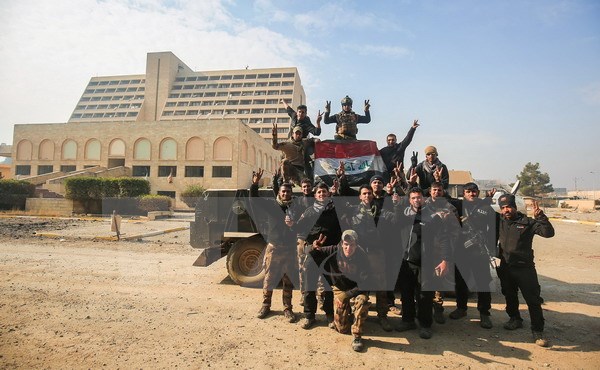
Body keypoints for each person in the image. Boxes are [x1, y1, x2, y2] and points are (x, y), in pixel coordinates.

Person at [497, 194, 555, 347]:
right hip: (506, 267)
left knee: (533, 300)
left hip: (524, 268)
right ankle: (514, 319)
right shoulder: (500, 221)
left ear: (515, 207)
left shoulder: (528, 223)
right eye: (503, 208)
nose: (506, 210)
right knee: (509, 295)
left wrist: (541, 217)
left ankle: (537, 331)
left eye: (508, 207)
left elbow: (548, 233)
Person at [395, 187, 451, 339]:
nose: (416, 200)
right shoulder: (403, 216)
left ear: (424, 199)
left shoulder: (433, 217)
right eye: (413, 198)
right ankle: (408, 321)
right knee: (406, 294)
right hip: (407, 263)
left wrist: (445, 260)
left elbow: (444, 239)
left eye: (419, 197)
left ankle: (425, 325)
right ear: (409, 200)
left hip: (426, 263)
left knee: (425, 295)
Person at [249, 169, 299, 323]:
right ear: (280, 192)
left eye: (288, 192)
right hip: (274, 248)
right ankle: (265, 305)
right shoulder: (272, 205)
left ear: (291, 193)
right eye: (283, 191)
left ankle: (287, 308)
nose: (285, 194)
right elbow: (254, 200)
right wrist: (255, 184)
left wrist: (295, 223)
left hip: (290, 249)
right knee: (269, 278)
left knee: (288, 280)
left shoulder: (296, 207)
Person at [448, 182, 499, 329]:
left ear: (478, 192)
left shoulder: (485, 208)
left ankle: (484, 313)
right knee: (460, 281)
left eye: (474, 191)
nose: (472, 194)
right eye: (468, 192)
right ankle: (461, 308)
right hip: (460, 250)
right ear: (464, 193)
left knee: (483, 282)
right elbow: (441, 196)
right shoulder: (458, 205)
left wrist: (491, 249)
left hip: (479, 251)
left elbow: (493, 230)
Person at [311, 230, 371, 352]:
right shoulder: (333, 250)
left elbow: (366, 284)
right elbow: (311, 255)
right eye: (346, 244)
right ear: (342, 243)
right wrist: (313, 247)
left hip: (357, 290)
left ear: (356, 244)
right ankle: (348, 313)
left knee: (362, 301)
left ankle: (357, 336)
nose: (349, 248)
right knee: (342, 329)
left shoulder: (362, 256)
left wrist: (346, 295)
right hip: (339, 287)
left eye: (352, 245)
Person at [294, 182, 341, 329]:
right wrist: (310, 245)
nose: (322, 194)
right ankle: (309, 316)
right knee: (309, 286)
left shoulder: (335, 212)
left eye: (324, 192)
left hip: (329, 254)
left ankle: (329, 316)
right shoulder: (309, 212)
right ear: (315, 195)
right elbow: (299, 230)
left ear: (328, 194)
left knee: (328, 287)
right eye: (319, 192)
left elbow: (340, 232)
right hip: (313, 253)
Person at [424, 181, 460, 324]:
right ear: (430, 191)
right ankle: (423, 308)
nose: (436, 193)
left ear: (443, 192)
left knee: (439, 281)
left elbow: (456, 230)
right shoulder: (423, 205)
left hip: (441, 251)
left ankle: (438, 309)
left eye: (439, 190)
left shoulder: (449, 208)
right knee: (424, 280)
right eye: (434, 190)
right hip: (425, 250)